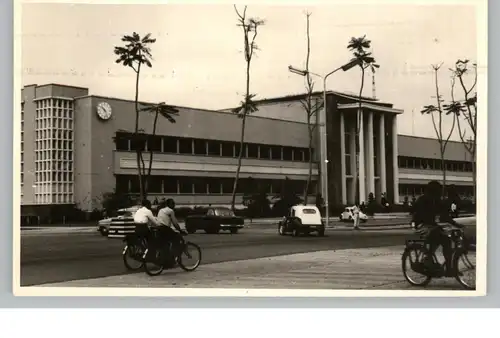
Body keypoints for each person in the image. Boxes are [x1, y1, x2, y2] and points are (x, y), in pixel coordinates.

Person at [411, 181, 462, 276]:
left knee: (446, 241)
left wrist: (456, 225)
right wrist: (435, 223)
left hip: (432, 225)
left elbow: (445, 216)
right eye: (439, 190)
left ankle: (449, 267)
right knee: (437, 235)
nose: (440, 192)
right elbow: (420, 214)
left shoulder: (437, 200)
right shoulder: (423, 200)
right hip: (421, 225)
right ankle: (428, 258)